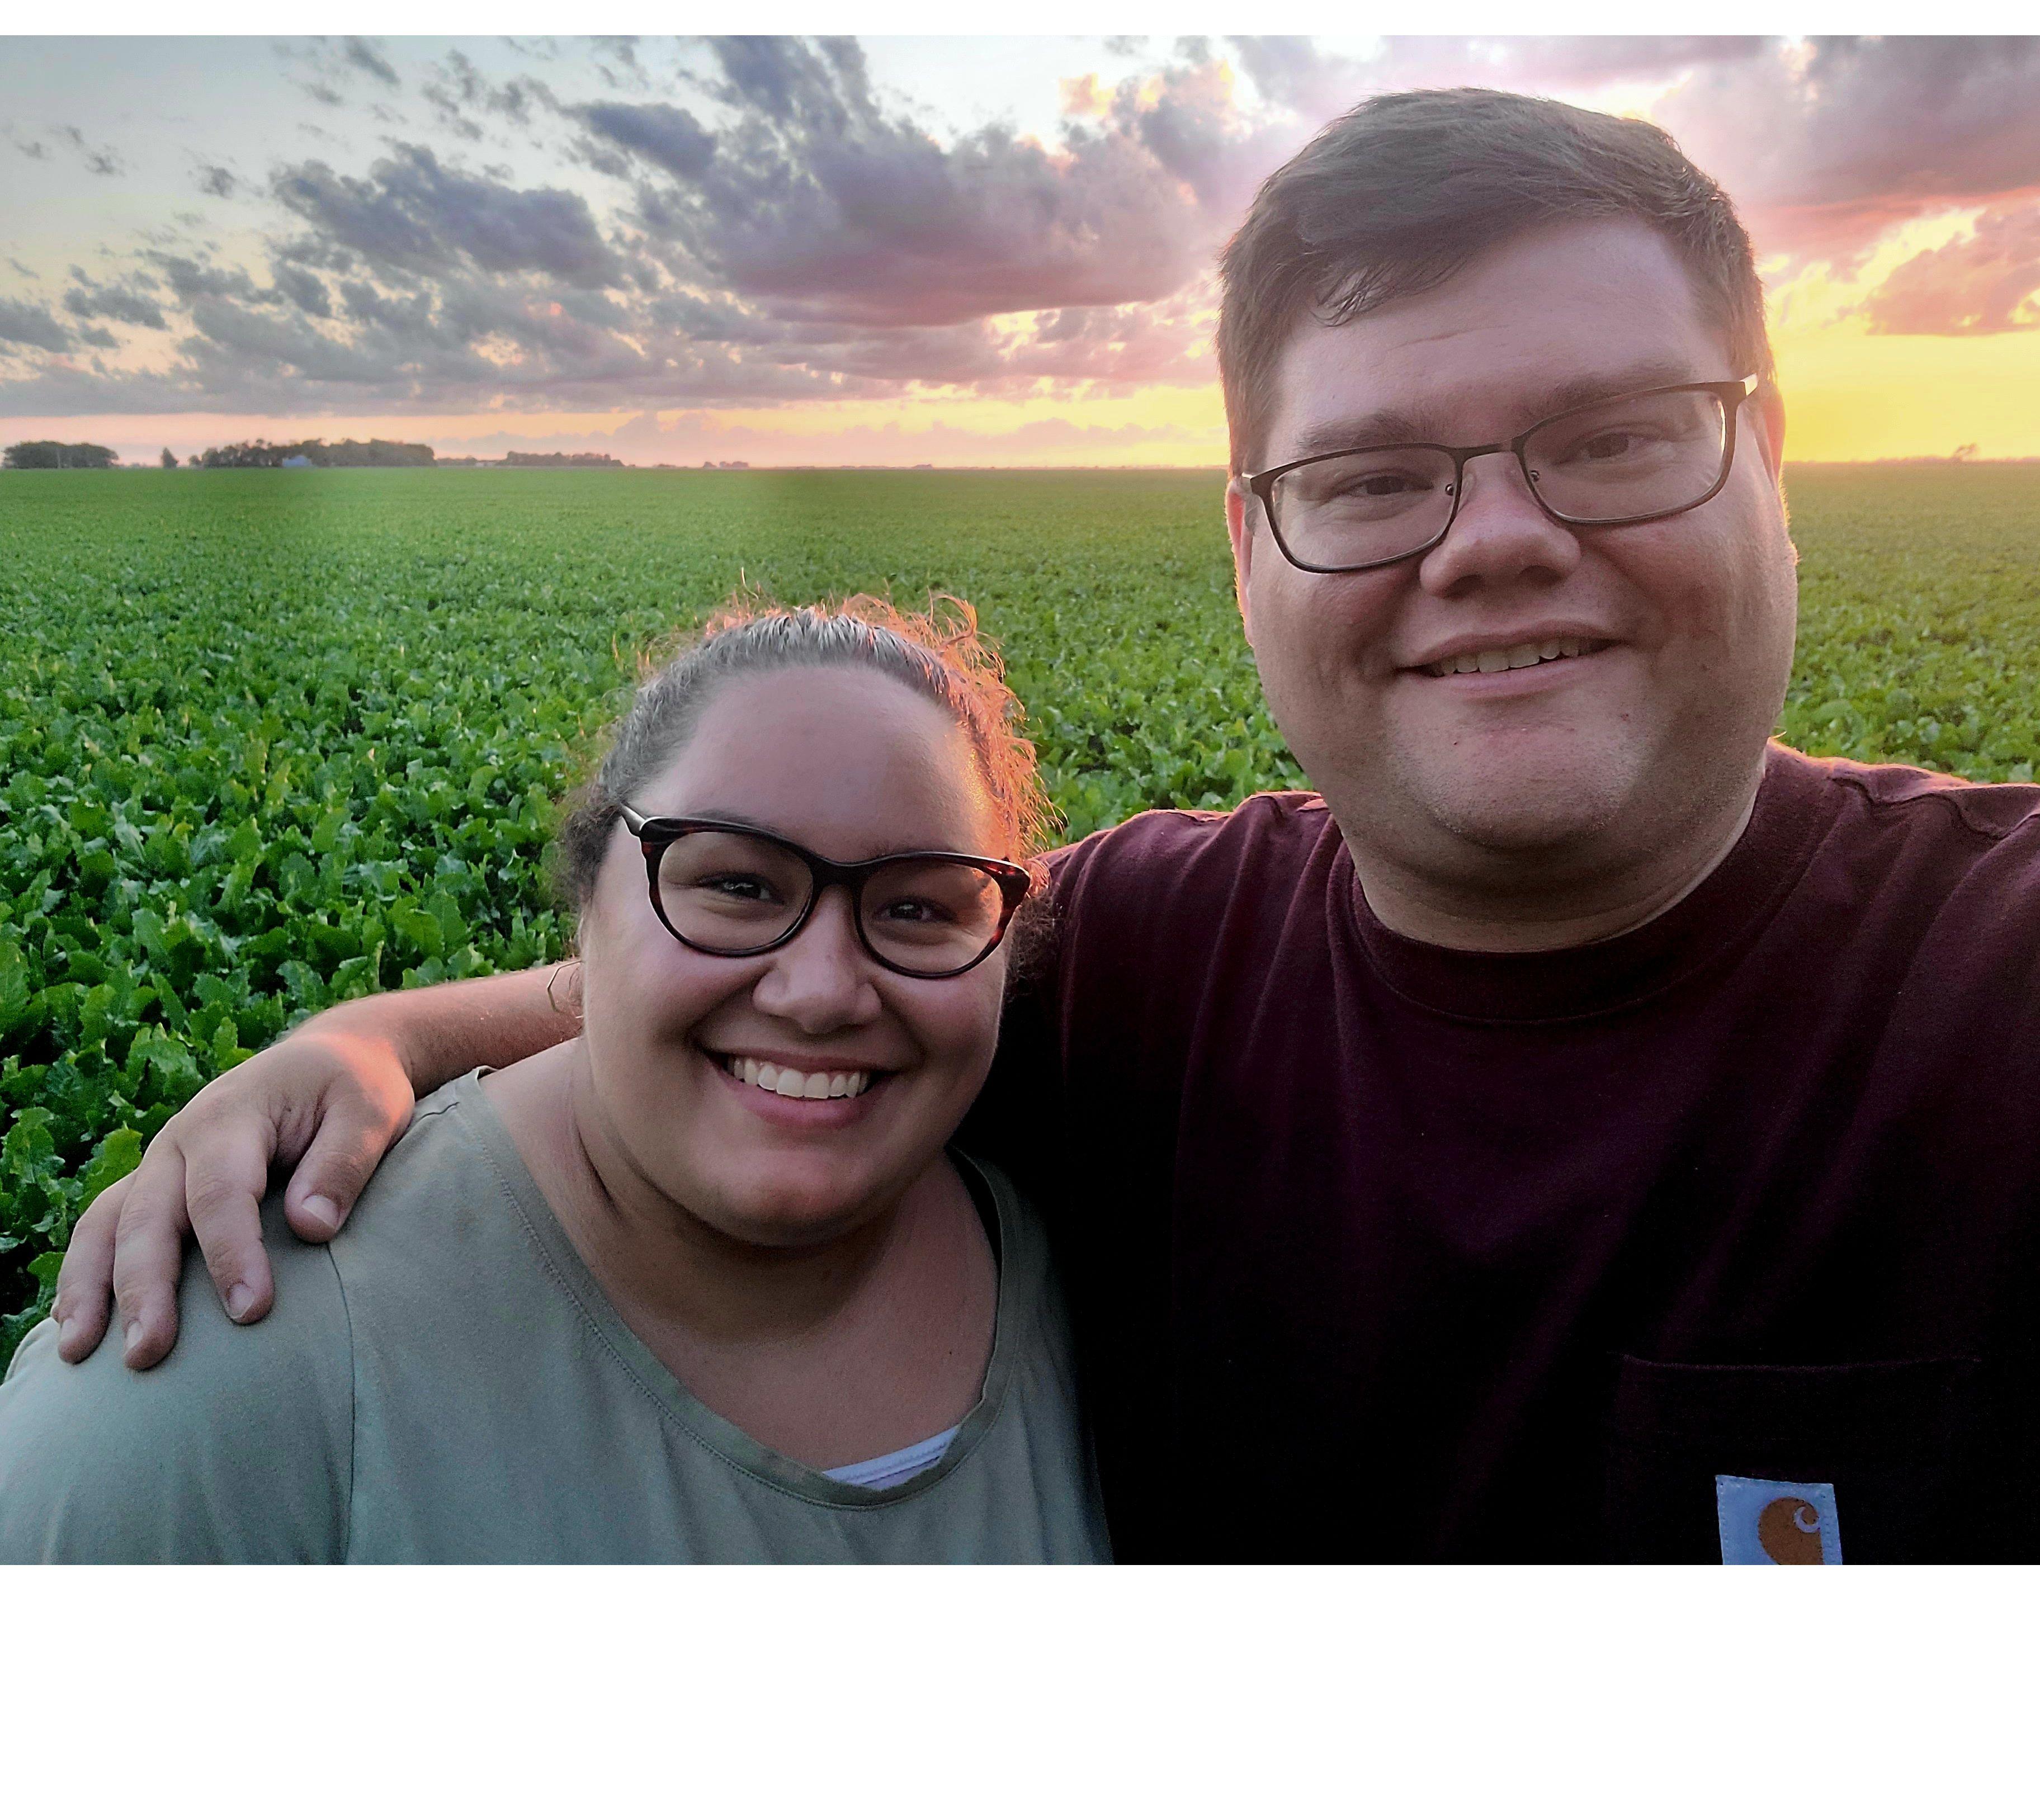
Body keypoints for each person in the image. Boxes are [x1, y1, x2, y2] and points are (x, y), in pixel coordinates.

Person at [44, 89, 2040, 1563]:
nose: (1495, 543)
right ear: (1248, 544)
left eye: (1608, 437)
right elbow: (786, 966)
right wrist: (368, 1039)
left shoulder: (1991, 980)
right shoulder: (1153, 957)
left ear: (1770, 457)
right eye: (1366, 474)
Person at [0, 597, 1110, 1562]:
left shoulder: (1095, 1271)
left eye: (920, 904)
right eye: (733, 883)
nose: (821, 990)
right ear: (586, 914)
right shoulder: (224, 1380)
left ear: (1014, 942)